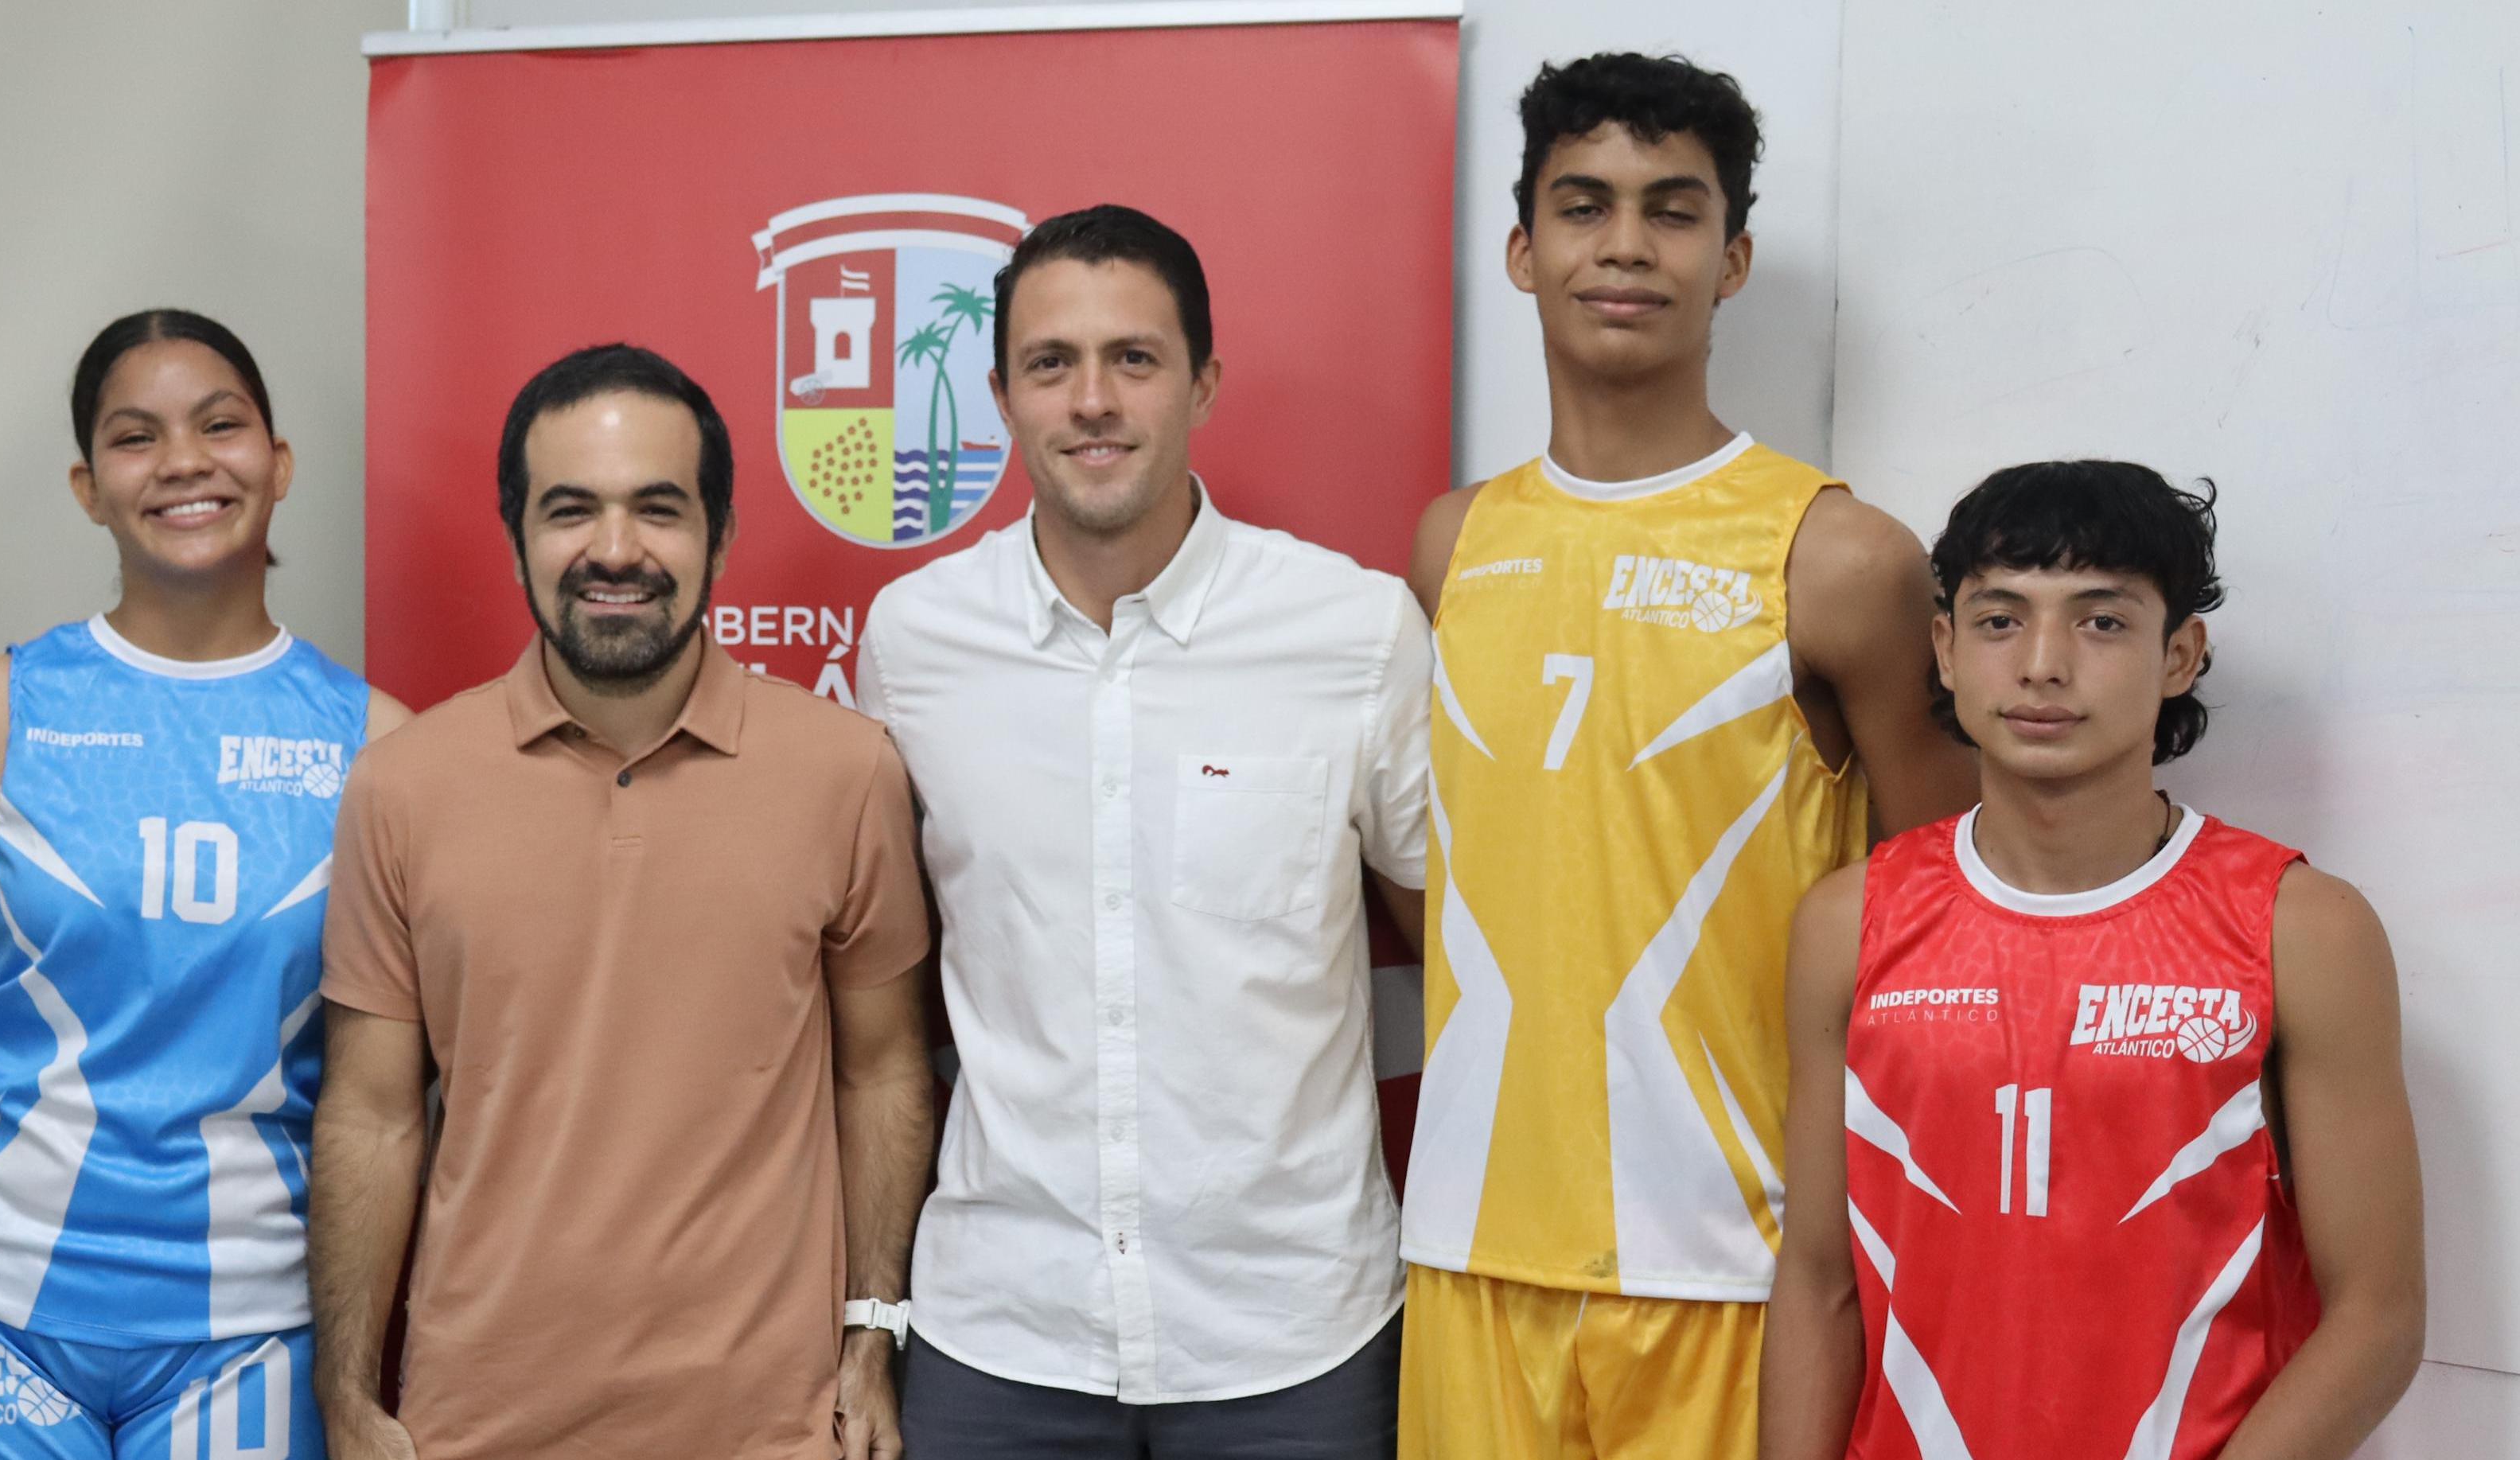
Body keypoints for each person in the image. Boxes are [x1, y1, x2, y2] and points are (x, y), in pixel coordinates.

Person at [1394, 53, 1981, 1459]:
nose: (1626, 246)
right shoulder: (1451, 542)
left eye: (1673, 210)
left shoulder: (1837, 557)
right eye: (1585, 206)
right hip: (1472, 1242)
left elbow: (1949, 938)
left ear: (1733, 260)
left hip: (1739, 1264)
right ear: (1524, 250)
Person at [859, 204, 1431, 1455]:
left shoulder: (1353, 630)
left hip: (1291, 1339)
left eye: (1134, 358)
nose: (1092, 400)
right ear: (1002, 393)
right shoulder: (910, 643)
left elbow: (1454, 951)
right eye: (1050, 363)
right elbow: (877, 993)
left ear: (1202, 383)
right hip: (1001, 1328)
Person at [309, 344, 935, 1460]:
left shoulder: (845, 770)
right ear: (514, 538)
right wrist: (346, 1395)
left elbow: (880, 1066)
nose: (613, 550)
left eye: (657, 507)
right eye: (569, 510)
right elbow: (371, 1112)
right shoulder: (400, 784)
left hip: (775, 1431)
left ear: (720, 535)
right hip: (475, 1425)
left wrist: (873, 1333)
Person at [1759, 461, 2425, 1458]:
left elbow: (2377, 1316)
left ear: (2180, 653)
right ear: (1943, 647)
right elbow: (1819, 1282)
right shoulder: (1849, 921)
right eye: (1999, 619)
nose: (2042, 663)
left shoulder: (2301, 929)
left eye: (2101, 621)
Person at [0, 309, 408, 1460]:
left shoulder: (380, 748)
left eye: (220, 424)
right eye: (135, 436)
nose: (183, 461)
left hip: (254, 1326)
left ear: (280, 460)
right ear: (86, 485)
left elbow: (390, 1087)